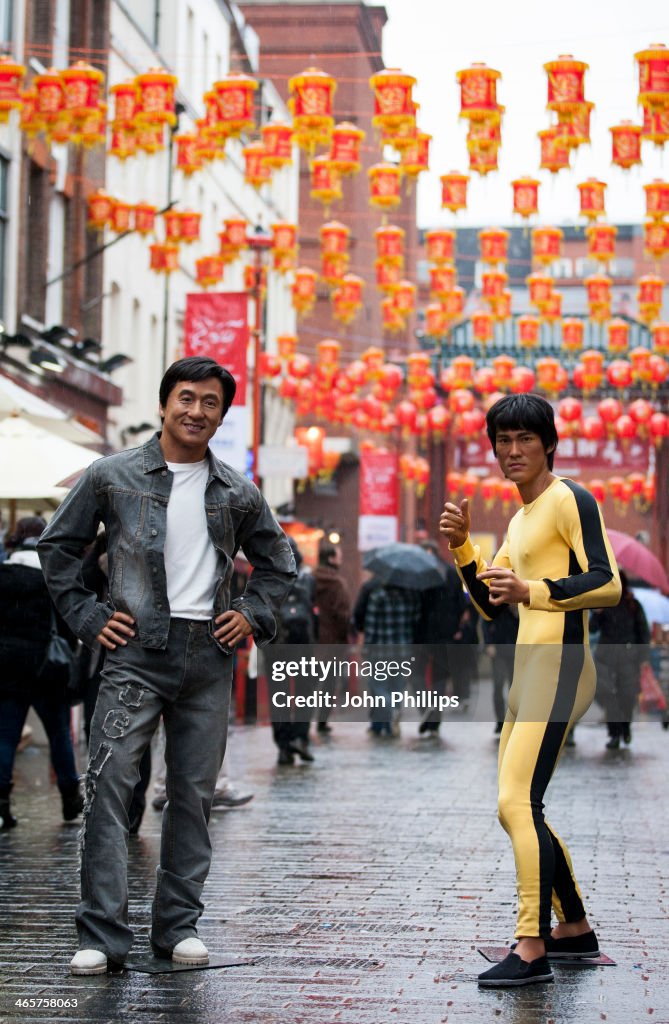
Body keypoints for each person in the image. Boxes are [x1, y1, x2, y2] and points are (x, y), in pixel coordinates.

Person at [38, 356, 296, 975]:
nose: (196, 411)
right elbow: (59, 546)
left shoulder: (237, 490)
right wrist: (89, 617)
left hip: (208, 657)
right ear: (163, 404)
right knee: (108, 788)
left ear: (221, 414)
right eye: (186, 398)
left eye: (210, 403)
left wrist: (253, 614)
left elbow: (279, 561)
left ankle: (178, 926)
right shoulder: (111, 474)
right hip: (133, 654)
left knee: (192, 797)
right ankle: (101, 933)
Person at [440, 393, 621, 989]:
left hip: (564, 667)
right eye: (503, 441)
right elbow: (493, 606)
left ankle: (531, 944)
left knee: (516, 804)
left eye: (525, 439)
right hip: (527, 673)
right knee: (521, 806)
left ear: (549, 443)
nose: (513, 451)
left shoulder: (570, 497)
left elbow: (608, 582)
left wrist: (534, 590)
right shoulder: (518, 519)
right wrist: (464, 547)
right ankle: (573, 929)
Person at [0, 517, 83, 830]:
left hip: (7, 667)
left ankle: (2, 804)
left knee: (5, 735)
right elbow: (68, 625)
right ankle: (69, 799)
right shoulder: (54, 575)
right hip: (48, 668)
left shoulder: (3, 573)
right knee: (59, 733)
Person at [268, 536, 318, 765]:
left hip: (277, 643)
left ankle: (283, 746)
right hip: (303, 643)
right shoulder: (307, 578)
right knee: (305, 692)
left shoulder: (267, 576)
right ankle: (300, 737)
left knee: (279, 695)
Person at [352, 575, 421, 736]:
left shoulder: (378, 595)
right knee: (397, 686)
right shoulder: (410, 596)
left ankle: (388, 714)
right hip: (402, 650)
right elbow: (416, 620)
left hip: (380, 650)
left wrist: (366, 647)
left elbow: (371, 625)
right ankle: (392, 717)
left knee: (378, 686)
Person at [591, 570, 650, 750]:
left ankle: (625, 726)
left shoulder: (633, 605)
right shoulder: (605, 604)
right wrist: (597, 613)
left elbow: (643, 632)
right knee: (609, 695)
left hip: (628, 656)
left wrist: (643, 658)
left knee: (628, 695)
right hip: (607, 657)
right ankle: (615, 733)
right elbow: (592, 628)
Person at [414, 539, 466, 737]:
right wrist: (453, 626)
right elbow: (461, 603)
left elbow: (417, 603)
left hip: (423, 633)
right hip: (445, 635)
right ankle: (435, 721)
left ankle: (425, 708)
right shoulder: (451, 572)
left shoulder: (421, 575)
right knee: (440, 677)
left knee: (416, 672)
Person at [313, 539, 352, 733]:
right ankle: (322, 720)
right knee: (329, 683)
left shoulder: (308, 579)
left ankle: (302, 720)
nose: (341, 558)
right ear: (331, 558)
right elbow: (343, 615)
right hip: (332, 642)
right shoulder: (337, 584)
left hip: (310, 640)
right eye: (338, 555)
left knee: (309, 681)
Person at [482, 604, 519, 735]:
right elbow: (485, 621)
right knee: (498, 685)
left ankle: (513, 720)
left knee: (514, 688)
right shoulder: (496, 601)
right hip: (498, 650)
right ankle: (500, 722)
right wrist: (488, 643)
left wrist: (515, 610)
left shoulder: (520, 600)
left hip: (517, 650)